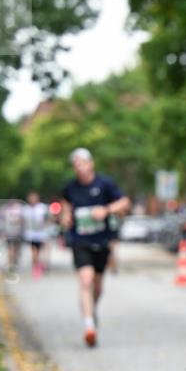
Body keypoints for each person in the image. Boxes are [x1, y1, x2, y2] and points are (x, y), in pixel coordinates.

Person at [60, 148, 130, 347]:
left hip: (101, 241)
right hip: (80, 241)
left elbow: (125, 202)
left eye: (83, 163)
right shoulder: (70, 188)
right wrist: (65, 217)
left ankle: (91, 309)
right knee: (85, 280)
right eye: (76, 164)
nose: (80, 167)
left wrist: (106, 210)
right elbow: (65, 206)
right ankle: (89, 325)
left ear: (91, 164)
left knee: (97, 286)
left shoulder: (105, 184)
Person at [23, 191, 50, 278]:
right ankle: (35, 267)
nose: (32, 199)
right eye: (31, 198)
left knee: (41, 252)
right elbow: (23, 221)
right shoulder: (26, 209)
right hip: (31, 234)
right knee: (34, 252)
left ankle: (41, 265)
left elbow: (49, 218)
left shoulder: (42, 208)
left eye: (34, 197)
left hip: (41, 234)